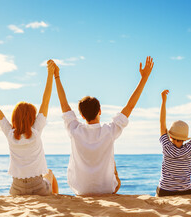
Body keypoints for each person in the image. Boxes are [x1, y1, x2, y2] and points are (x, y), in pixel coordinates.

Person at [54, 56, 154, 195]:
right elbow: (130, 106)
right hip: (107, 190)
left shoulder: (74, 129)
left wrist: (56, 76)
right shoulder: (109, 130)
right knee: (114, 167)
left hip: (81, 190)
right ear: (100, 111)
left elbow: (64, 104)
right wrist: (144, 78)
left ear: (82, 116)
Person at [0, 60, 59, 196]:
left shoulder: (10, 134)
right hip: (38, 187)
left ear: (14, 118)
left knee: (43, 177)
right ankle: (55, 198)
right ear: (32, 118)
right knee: (50, 173)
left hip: (16, 188)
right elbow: (45, 100)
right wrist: (50, 74)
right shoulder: (36, 131)